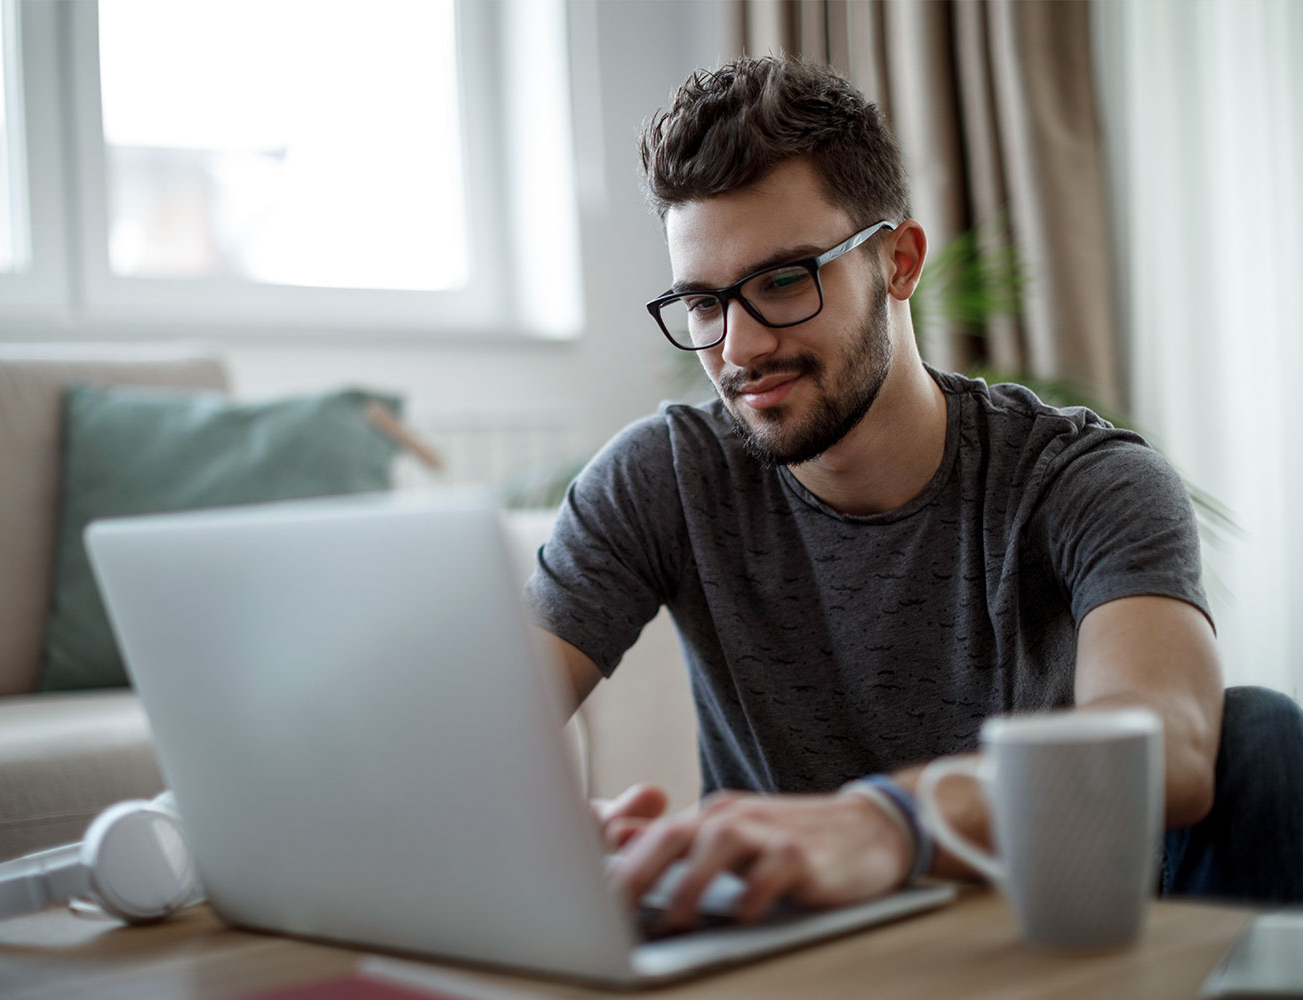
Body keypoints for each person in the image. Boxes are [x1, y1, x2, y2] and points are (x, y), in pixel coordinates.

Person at [523, 55, 1302, 929]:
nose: (737, 348)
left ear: (899, 262)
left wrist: (883, 822)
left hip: (1043, 939)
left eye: (783, 281)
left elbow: (1174, 743)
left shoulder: (1085, 481)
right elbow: (487, 724)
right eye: (704, 302)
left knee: (1263, 738)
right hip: (795, 955)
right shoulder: (660, 477)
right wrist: (545, 835)